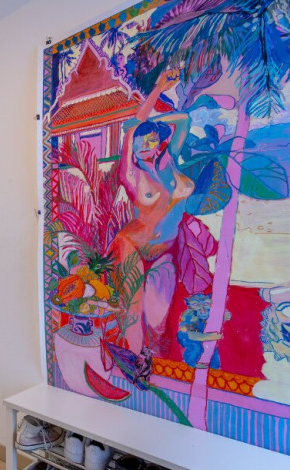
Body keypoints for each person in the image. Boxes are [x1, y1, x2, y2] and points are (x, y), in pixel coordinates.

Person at [108, 69, 194, 355]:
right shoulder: (130, 174)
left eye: (152, 140)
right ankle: (134, 361)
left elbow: (184, 121)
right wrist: (157, 90)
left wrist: (154, 126)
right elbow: (133, 127)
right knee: (133, 312)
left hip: (165, 249)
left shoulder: (168, 163)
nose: (146, 145)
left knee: (158, 320)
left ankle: (153, 365)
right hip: (132, 245)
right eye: (141, 141)